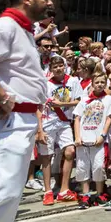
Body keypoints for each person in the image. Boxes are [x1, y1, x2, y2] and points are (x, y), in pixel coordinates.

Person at [0, 0, 53, 222]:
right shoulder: (5, 27)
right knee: (4, 191)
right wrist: (1, 95)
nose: (50, 3)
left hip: (16, 119)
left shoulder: (23, 31)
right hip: (9, 120)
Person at [39, 55, 81, 205]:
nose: (58, 69)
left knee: (70, 151)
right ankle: (48, 190)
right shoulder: (46, 84)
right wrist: (39, 130)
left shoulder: (73, 81)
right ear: (50, 69)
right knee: (46, 156)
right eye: (54, 67)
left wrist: (62, 104)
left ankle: (64, 189)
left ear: (65, 66)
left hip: (64, 122)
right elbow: (39, 106)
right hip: (48, 123)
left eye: (60, 66)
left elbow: (79, 101)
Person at [73, 74, 111, 208]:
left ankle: (99, 193)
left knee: (98, 167)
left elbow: (109, 118)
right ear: (91, 84)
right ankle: (85, 195)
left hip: (98, 140)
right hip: (83, 140)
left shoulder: (108, 99)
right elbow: (77, 119)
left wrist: (103, 135)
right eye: (97, 82)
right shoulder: (84, 100)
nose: (100, 84)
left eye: (103, 82)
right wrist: (77, 137)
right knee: (82, 167)